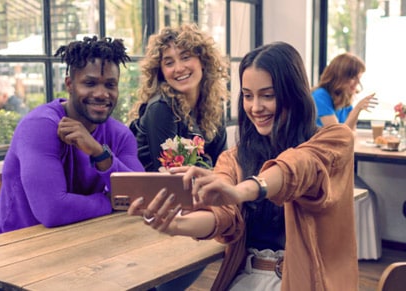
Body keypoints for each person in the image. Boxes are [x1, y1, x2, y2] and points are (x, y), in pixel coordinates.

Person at [128, 42, 358, 290]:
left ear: (293, 94)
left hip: (309, 281)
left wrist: (243, 190)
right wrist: (175, 225)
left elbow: (298, 167)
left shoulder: (335, 140)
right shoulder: (234, 158)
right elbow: (223, 214)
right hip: (249, 278)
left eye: (268, 95)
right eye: (248, 96)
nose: (255, 107)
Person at [0, 36, 144, 235]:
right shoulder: (40, 126)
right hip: (13, 249)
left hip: (81, 239)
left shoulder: (120, 135)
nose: (102, 93)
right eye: (90, 83)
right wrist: (112, 201)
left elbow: (141, 196)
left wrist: (99, 153)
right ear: (69, 84)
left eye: (110, 85)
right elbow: (53, 211)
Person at [129, 24, 228, 172]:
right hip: (155, 192)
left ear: (203, 61)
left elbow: (224, 164)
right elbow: (171, 175)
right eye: (169, 63)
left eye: (185, 57)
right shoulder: (161, 107)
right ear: (161, 71)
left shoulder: (215, 104)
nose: (179, 68)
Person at [312, 52, 378, 130]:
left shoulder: (344, 99)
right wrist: (357, 109)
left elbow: (351, 134)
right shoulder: (320, 96)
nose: (357, 83)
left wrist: (357, 110)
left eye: (359, 79)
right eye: (353, 78)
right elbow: (338, 134)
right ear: (339, 76)